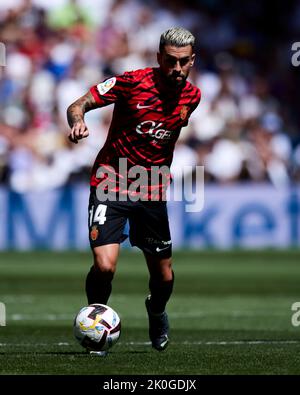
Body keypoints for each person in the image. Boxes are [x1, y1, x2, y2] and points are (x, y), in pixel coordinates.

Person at [67, 27, 201, 352]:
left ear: (191, 61)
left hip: (151, 190)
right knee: (105, 266)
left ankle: (156, 311)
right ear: (158, 58)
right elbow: (79, 103)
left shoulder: (192, 97)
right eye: (170, 61)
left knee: (164, 276)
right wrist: (77, 121)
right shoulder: (131, 82)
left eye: (183, 62)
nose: (176, 68)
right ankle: (95, 320)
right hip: (111, 180)